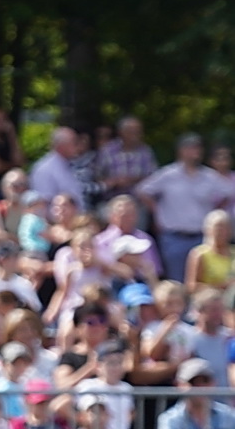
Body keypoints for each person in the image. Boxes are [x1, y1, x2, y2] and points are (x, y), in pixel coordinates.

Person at [136, 134, 235, 282]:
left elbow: (229, 192)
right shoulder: (168, 174)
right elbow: (142, 190)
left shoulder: (209, 176)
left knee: (202, 282)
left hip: (202, 238)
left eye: (198, 148)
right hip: (174, 237)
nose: (195, 152)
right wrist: (157, 212)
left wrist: (215, 211)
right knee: (176, 282)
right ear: (181, 150)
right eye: (191, 148)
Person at [96, 115, 158, 199]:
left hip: (138, 201)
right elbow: (97, 176)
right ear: (121, 132)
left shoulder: (146, 151)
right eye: (131, 131)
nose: (136, 135)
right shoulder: (107, 150)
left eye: (138, 131)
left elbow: (154, 178)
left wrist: (132, 180)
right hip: (111, 200)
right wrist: (114, 182)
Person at [31, 127, 87, 207]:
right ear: (62, 146)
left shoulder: (69, 165)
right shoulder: (45, 170)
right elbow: (44, 203)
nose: (78, 147)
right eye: (74, 142)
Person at [186, 209, 235, 297]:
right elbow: (192, 287)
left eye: (224, 228)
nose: (220, 232)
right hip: (209, 301)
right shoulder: (199, 254)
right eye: (217, 228)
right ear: (208, 230)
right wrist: (222, 286)